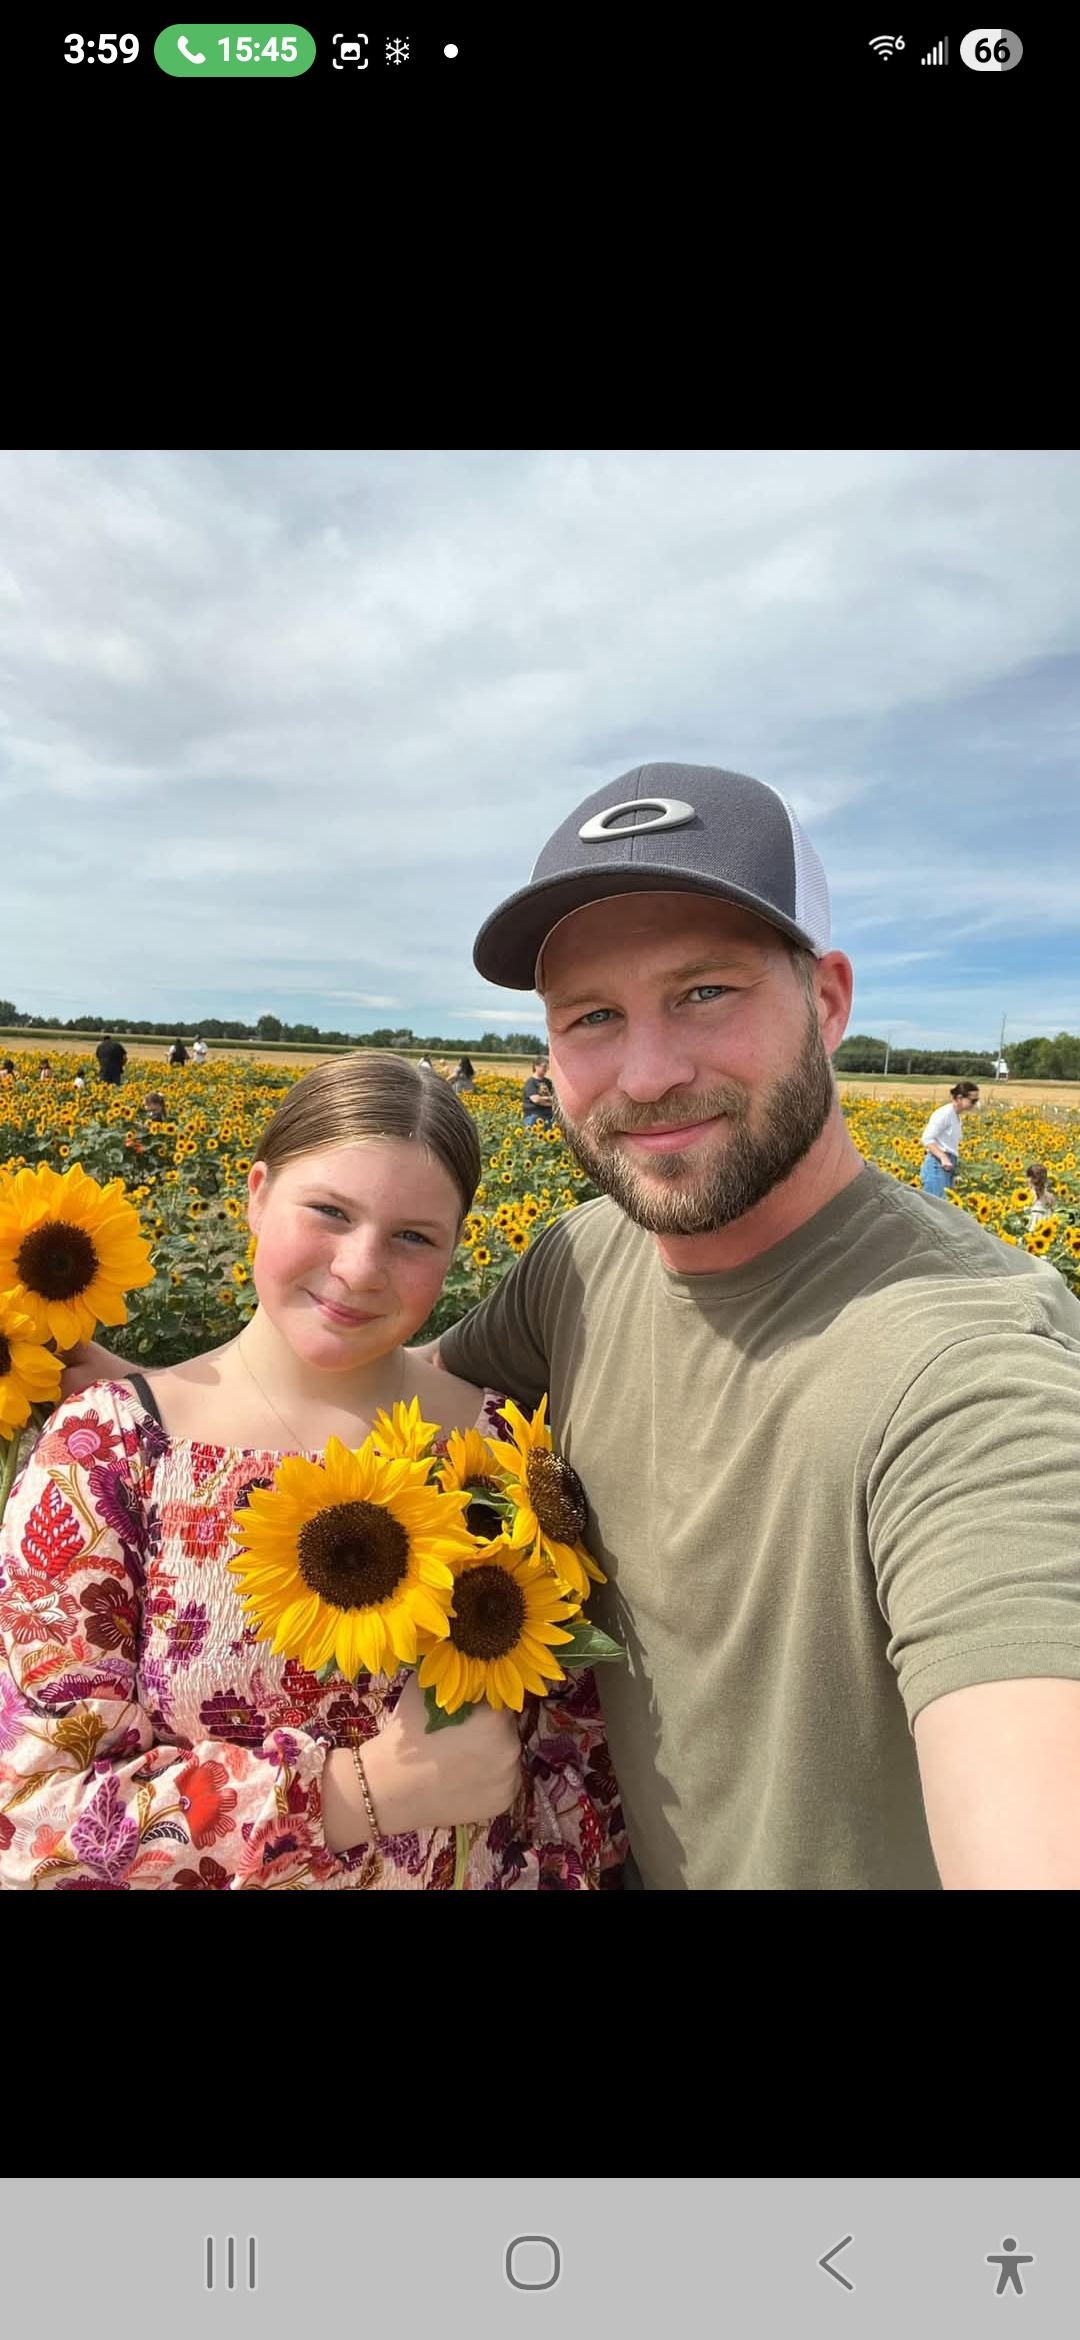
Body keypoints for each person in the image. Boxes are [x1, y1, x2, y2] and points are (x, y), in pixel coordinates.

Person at [410, 759, 1080, 1890]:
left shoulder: (972, 1366)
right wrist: (117, 1391)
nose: (650, 1071)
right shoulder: (583, 1260)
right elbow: (389, 1401)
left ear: (826, 1000)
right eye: (592, 1017)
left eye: (704, 992)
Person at [2, 1054, 625, 1891]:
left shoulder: (500, 1454)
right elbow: (35, 1821)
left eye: (414, 1237)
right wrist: (354, 1796)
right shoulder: (112, 1456)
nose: (361, 1266)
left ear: (455, 1249)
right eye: (329, 1211)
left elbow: (573, 1775)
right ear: (257, 1194)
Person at [918, 1082, 980, 1196]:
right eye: (973, 1101)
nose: (975, 1104)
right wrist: (943, 1158)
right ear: (960, 1098)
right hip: (938, 1164)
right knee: (937, 1206)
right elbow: (927, 1138)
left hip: (947, 1164)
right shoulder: (944, 1113)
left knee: (945, 1206)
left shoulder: (956, 1116)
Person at [521, 1056, 556, 1129]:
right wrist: (550, 1099)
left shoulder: (548, 1082)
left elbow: (556, 1098)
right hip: (533, 1116)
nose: (546, 1069)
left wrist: (544, 1099)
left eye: (547, 1067)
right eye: (544, 1066)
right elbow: (536, 1100)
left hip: (549, 1116)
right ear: (536, 1066)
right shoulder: (531, 1082)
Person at [1025, 1163, 1059, 1228]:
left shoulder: (1026, 1196)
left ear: (1030, 1179)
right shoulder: (1051, 1197)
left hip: (1030, 1233)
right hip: (1045, 1232)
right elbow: (1053, 1216)